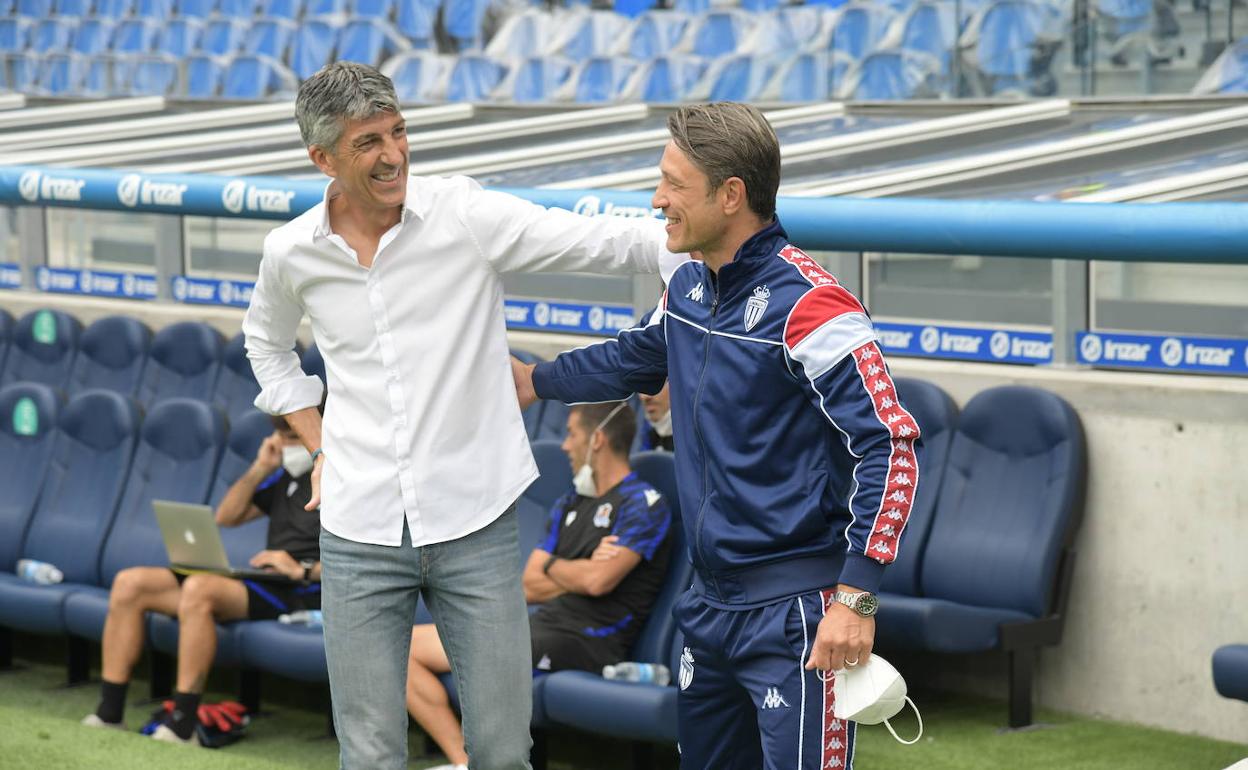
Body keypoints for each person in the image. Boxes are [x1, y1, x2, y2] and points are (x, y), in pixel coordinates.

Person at [241, 62, 682, 770]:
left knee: (503, 752)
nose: (393, 155)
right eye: (367, 143)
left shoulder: (464, 213)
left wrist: (697, 246)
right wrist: (318, 444)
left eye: (397, 132)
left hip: (475, 523)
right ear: (322, 159)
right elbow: (264, 345)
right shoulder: (290, 251)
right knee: (369, 755)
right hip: (356, 530)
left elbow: (610, 242)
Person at [513, 102, 921, 769]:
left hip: (795, 611)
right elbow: (634, 356)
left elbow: (890, 446)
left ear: (731, 195)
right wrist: (537, 380)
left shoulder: (814, 307)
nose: (657, 199)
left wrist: (855, 597)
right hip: (705, 607)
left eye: (674, 184)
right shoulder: (688, 287)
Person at [407, 401, 671, 770]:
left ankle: (465, 763)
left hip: (589, 642)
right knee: (401, 644)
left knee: (409, 649)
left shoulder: (644, 504)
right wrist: (575, 570)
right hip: (543, 625)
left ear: (597, 440)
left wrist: (557, 569)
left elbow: (598, 582)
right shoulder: (570, 502)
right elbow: (529, 584)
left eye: (572, 434)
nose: (565, 445)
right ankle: (464, 762)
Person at [82, 416, 322, 745]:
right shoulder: (284, 478)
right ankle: (109, 713)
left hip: (304, 590)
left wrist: (302, 570)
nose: (286, 444)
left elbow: (362, 559)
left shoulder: (338, 481)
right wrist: (260, 468)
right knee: (130, 583)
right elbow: (226, 516)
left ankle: (182, 725)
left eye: (293, 436)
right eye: (280, 435)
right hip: (269, 581)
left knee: (199, 589)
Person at [637, 381, 674, 452]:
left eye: (656, 383)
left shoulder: (694, 440)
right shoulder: (644, 438)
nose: (644, 396)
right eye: (640, 387)